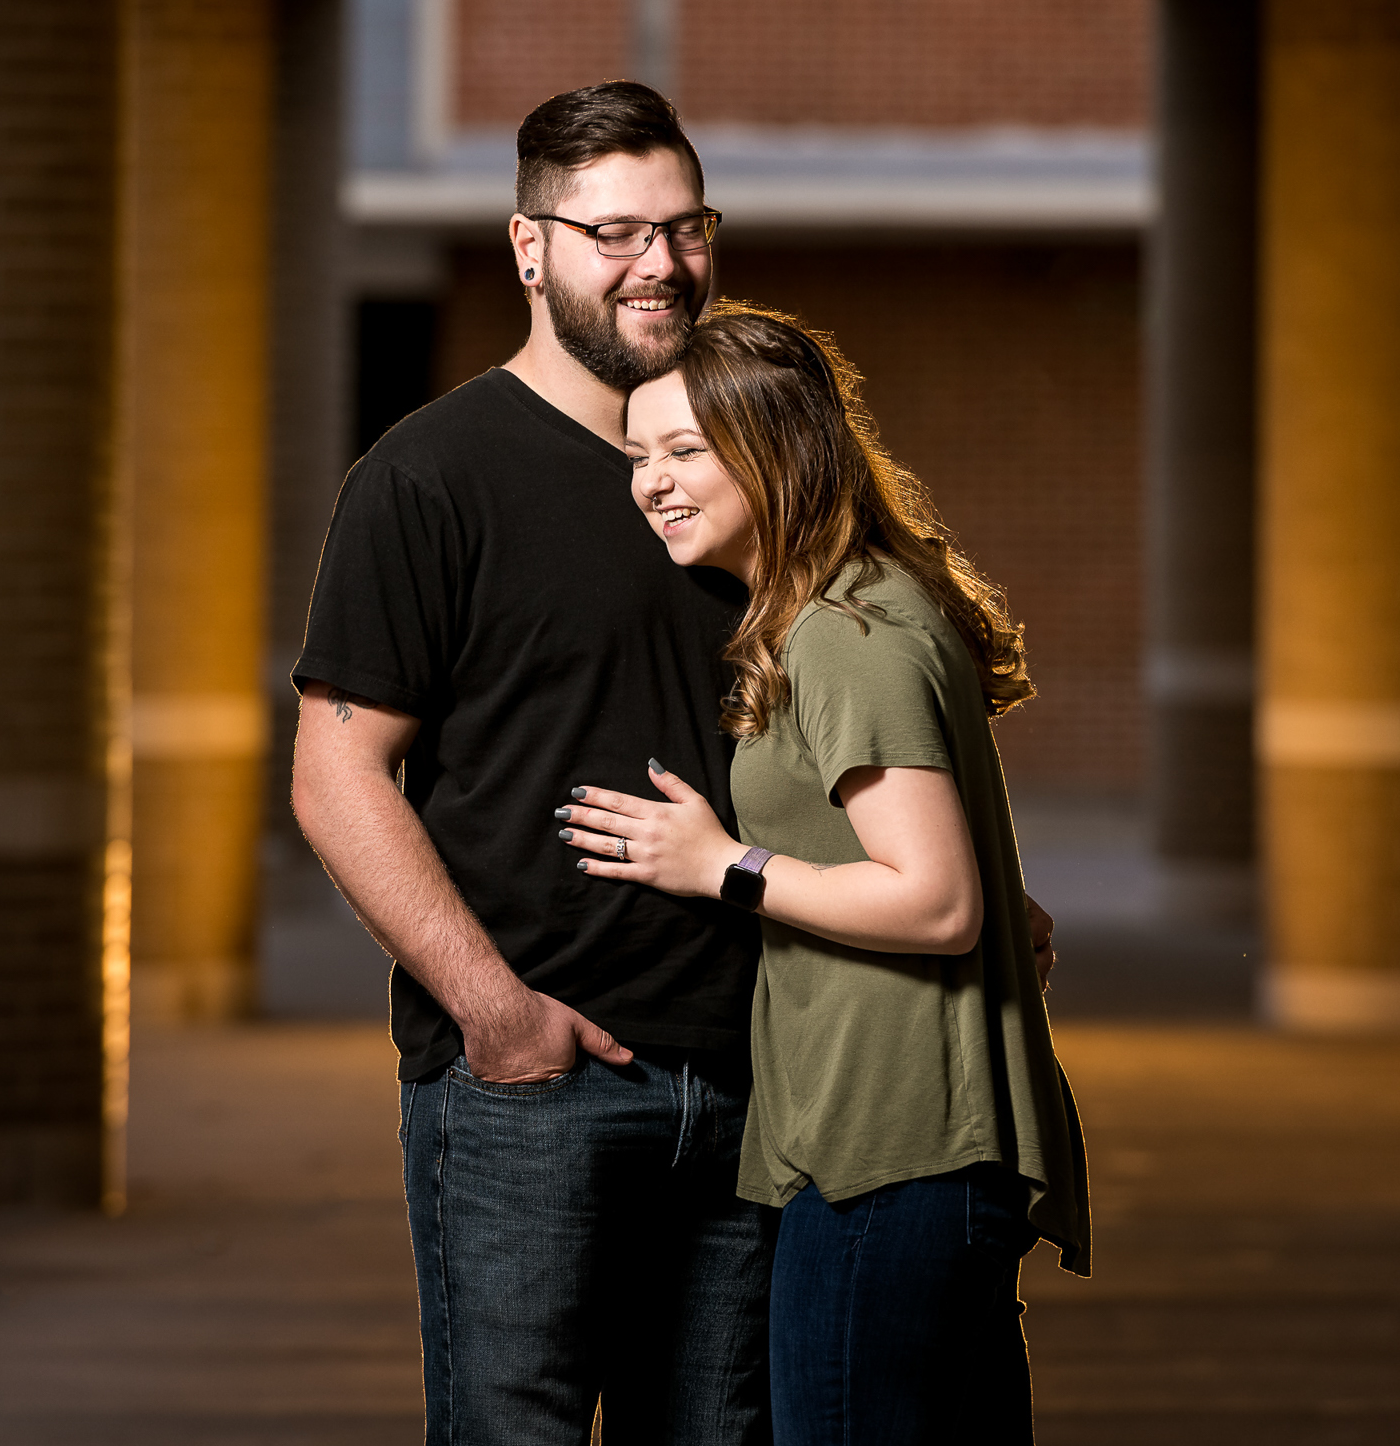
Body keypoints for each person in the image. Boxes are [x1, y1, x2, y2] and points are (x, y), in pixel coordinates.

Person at [289, 82, 773, 1444]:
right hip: (529, 1097)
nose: (660, 265)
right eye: (614, 232)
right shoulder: (430, 477)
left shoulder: (749, 466)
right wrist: (494, 1014)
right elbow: (336, 777)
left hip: (756, 1082)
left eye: (685, 229)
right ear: (529, 248)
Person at [557, 306, 1092, 1446]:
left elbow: (937, 902)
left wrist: (721, 865)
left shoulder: (846, 634)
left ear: (775, 447)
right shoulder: (842, 612)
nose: (651, 482)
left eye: (685, 451)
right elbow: (961, 877)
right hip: (904, 1146)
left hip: (894, 1153)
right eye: (639, 454)